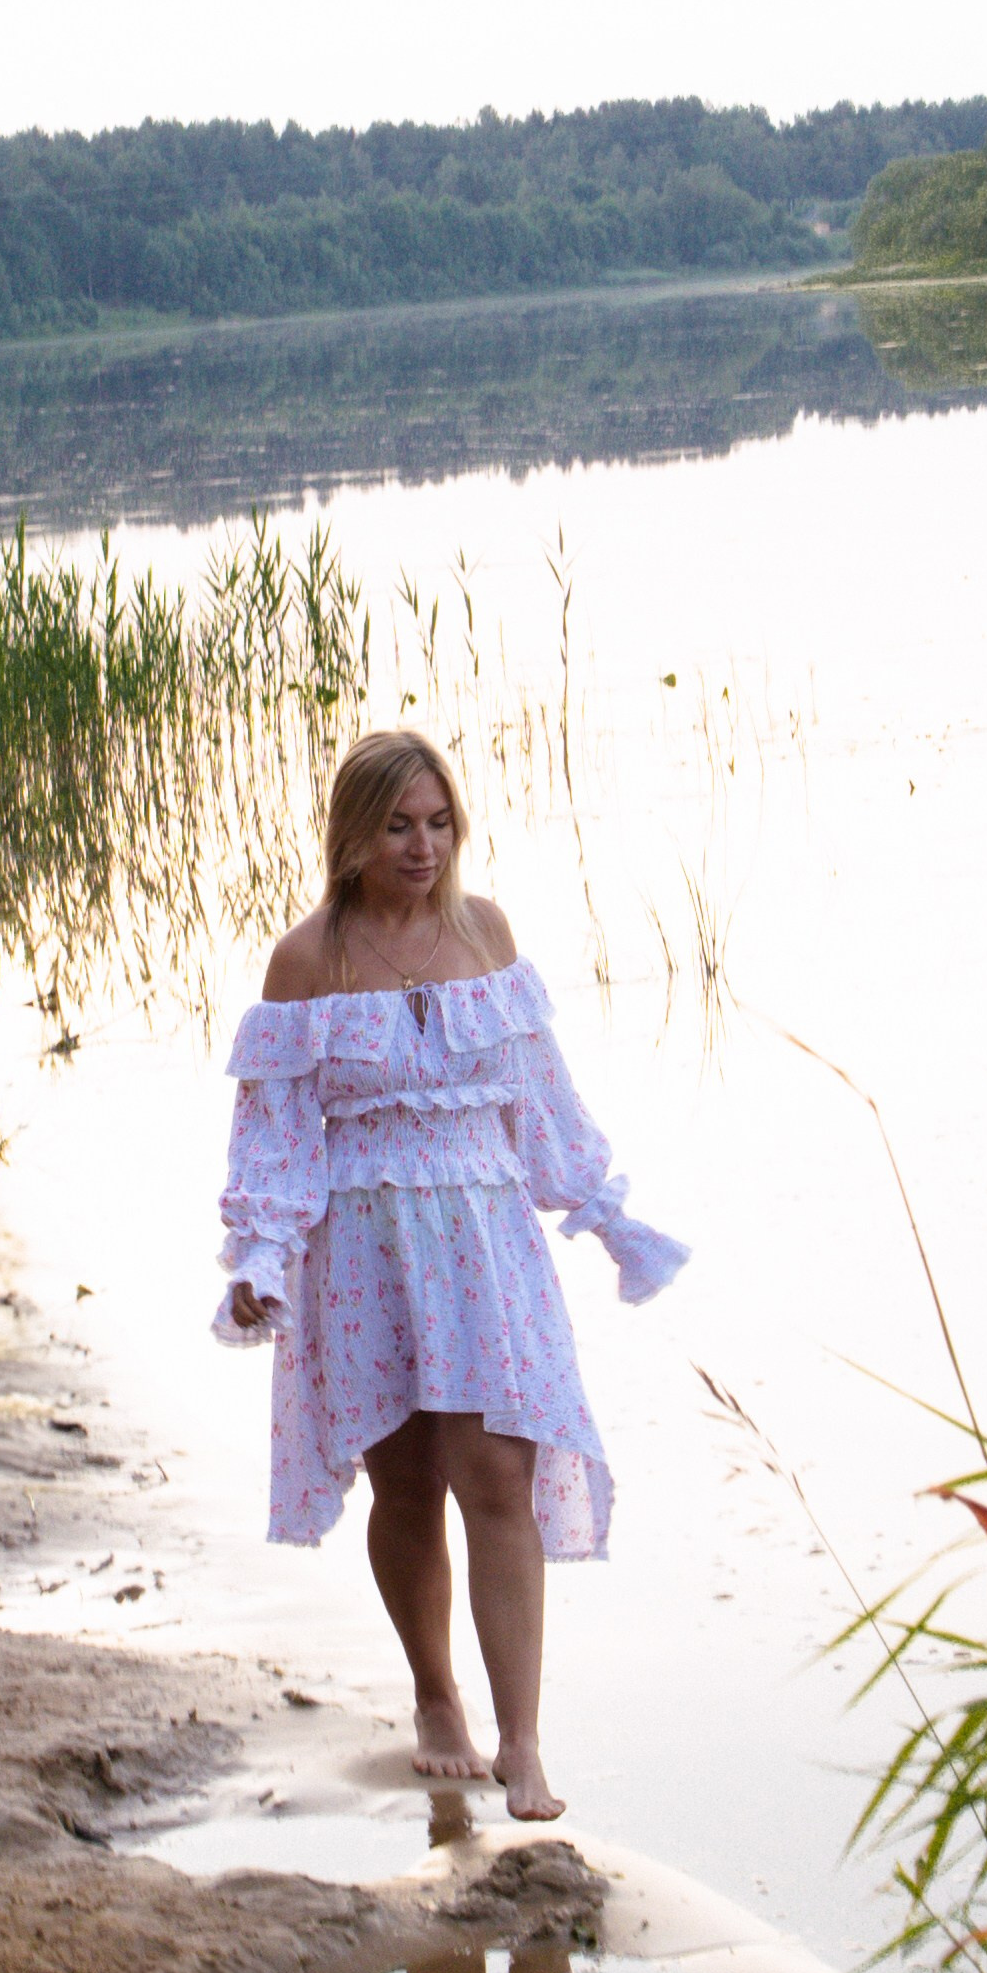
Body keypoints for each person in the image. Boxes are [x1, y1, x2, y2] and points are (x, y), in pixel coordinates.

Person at [213, 727, 686, 1824]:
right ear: (353, 837)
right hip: (362, 1253)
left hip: (487, 1244)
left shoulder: (486, 934)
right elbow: (273, 1135)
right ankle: (438, 1700)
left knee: (499, 1483)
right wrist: (260, 1252)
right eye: (398, 826)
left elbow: (539, 1095)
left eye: (438, 822)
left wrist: (603, 1213)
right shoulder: (305, 960)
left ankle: (522, 1743)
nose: (422, 846)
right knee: (408, 1485)